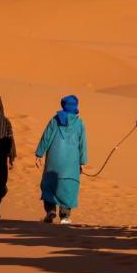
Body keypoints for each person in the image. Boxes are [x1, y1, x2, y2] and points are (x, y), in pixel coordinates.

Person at [34, 95, 88, 224]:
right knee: (68, 186)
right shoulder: (80, 123)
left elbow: (46, 137)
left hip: (54, 160)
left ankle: (50, 211)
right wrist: (82, 161)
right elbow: (82, 144)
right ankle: (65, 216)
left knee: (49, 184)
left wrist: (39, 154)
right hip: (71, 162)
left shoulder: (54, 120)